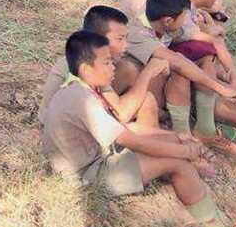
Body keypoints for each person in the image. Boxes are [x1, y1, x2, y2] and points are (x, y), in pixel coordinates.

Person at [41, 31, 236, 227]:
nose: (114, 65)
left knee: (174, 143)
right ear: (87, 70)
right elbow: (131, 140)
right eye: (107, 62)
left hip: (96, 157)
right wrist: (183, 152)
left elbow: (126, 129)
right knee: (179, 164)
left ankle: (217, 222)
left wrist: (176, 137)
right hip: (86, 174)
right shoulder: (83, 100)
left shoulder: (83, 88)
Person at [141, 0, 236, 159]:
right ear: (168, 20)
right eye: (183, 18)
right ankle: (183, 136)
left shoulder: (166, 25)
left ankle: (204, 129)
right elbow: (178, 62)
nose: (185, 22)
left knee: (205, 58)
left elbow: (208, 40)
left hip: (166, 86)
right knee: (181, 70)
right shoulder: (141, 33)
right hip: (147, 94)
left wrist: (213, 33)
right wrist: (222, 89)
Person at [38, 7, 170, 133]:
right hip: (67, 133)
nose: (126, 45)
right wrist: (148, 73)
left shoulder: (94, 59)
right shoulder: (85, 65)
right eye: (120, 39)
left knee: (144, 98)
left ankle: (159, 135)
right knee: (144, 102)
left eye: (126, 38)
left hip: (83, 124)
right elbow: (122, 114)